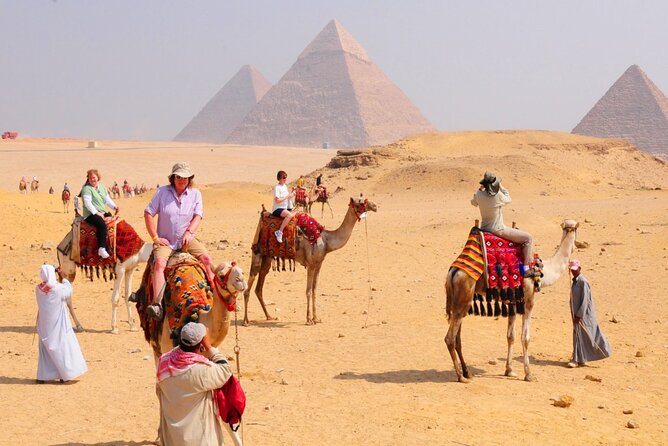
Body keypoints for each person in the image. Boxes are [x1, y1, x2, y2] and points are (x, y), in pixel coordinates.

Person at [144, 162, 214, 319]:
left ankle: (216, 294)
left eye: (185, 177)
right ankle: (157, 304)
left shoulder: (196, 194)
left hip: (187, 239)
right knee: (159, 265)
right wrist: (155, 237)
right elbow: (148, 212)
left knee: (207, 259)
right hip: (166, 241)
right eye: (179, 177)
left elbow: (198, 215)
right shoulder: (162, 192)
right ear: (173, 178)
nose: (182, 180)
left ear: (190, 179)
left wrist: (189, 232)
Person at [156, 322, 232, 445]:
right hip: (200, 440)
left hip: (172, 439)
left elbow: (173, 353)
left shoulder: (163, 364)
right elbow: (225, 370)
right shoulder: (201, 371)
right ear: (200, 344)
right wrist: (208, 346)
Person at [35, 264, 87, 384]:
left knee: (45, 352)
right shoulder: (58, 289)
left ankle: (42, 376)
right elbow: (69, 290)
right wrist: (62, 276)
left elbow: (50, 288)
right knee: (62, 349)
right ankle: (64, 375)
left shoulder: (38, 289)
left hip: (44, 326)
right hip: (58, 327)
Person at [471, 171, 533, 268]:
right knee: (528, 238)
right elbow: (508, 198)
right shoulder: (498, 196)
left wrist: (480, 189)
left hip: (484, 228)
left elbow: (473, 202)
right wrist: (501, 186)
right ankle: (526, 269)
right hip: (498, 229)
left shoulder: (479, 195)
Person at [567, 260, 612, 368]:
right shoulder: (575, 281)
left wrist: (579, 315)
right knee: (578, 335)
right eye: (572, 270)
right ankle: (580, 358)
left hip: (584, 315)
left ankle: (576, 359)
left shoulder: (583, 282)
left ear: (579, 269)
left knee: (588, 335)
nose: (573, 272)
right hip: (577, 314)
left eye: (575, 270)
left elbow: (585, 300)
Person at [80, 169, 119, 259]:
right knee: (101, 224)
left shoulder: (101, 187)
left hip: (101, 212)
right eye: (90, 178)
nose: (92, 179)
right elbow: (87, 203)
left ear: (98, 177)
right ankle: (102, 248)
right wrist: (97, 213)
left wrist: (114, 207)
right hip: (90, 214)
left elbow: (107, 199)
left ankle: (112, 246)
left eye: (93, 177)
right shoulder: (86, 189)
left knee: (114, 221)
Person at [272, 170, 295, 243]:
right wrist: (288, 196)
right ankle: (279, 232)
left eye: (286, 178)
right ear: (280, 178)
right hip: (277, 209)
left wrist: (292, 194)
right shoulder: (277, 187)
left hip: (284, 208)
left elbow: (287, 198)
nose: (285, 179)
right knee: (289, 215)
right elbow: (277, 200)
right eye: (284, 178)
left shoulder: (284, 186)